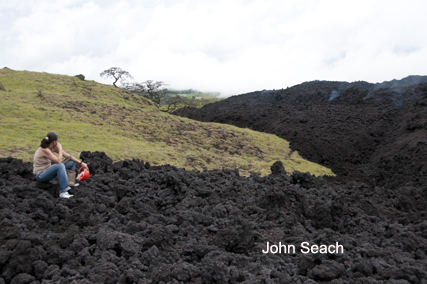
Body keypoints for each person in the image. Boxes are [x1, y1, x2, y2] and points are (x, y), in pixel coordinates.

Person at [33, 132, 88, 198]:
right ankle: (63, 192)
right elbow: (58, 161)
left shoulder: (52, 147)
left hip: (48, 171)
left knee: (71, 162)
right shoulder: (44, 150)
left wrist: (81, 163)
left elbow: (67, 156)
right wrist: (60, 148)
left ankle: (70, 182)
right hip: (40, 176)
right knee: (60, 166)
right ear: (54, 142)